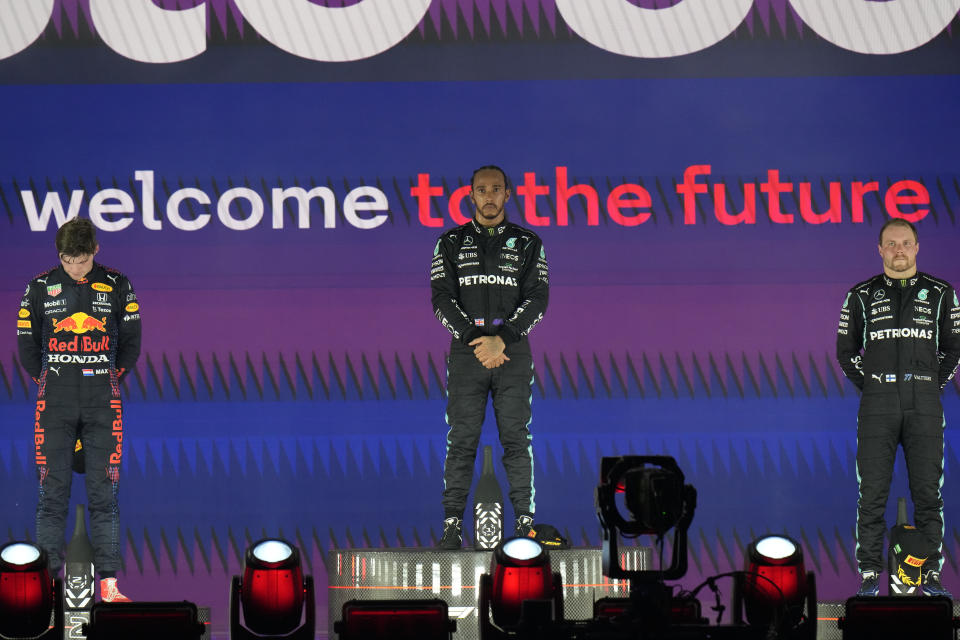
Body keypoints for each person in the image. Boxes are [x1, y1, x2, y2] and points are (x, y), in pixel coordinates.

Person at [17, 218, 142, 602]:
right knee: (51, 494)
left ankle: (108, 584)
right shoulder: (38, 288)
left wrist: (106, 378)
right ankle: (47, 588)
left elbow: (132, 344)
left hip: (103, 403)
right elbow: (27, 347)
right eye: (68, 259)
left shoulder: (118, 284)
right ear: (59, 255)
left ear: (96, 252)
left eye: (82, 259)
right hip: (53, 403)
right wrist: (52, 378)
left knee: (104, 493)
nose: (75, 266)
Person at [837, 217, 960, 597]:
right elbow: (845, 352)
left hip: (924, 404)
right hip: (877, 405)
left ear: (917, 247)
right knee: (871, 493)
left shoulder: (941, 293)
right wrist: (874, 386)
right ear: (880, 249)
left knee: (929, 493)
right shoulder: (860, 294)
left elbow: (954, 348)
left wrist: (928, 386)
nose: (899, 250)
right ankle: (871, 575)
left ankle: (928, 575)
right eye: (891, 244)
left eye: (905, 243)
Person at [431, 165, 549, 549]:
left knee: (516, 437)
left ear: (508, 194)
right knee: (461, 439)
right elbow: (441, 299)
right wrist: (476, 339)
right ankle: (451, 525)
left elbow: (538, 298)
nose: (489, 196)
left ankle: (526, 524)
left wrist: (504, 339)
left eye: (496, 189)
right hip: (467, 353)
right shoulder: (449, 242)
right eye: (482, 190)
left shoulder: (529, 242)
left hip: (512, 350)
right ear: (471, 195)